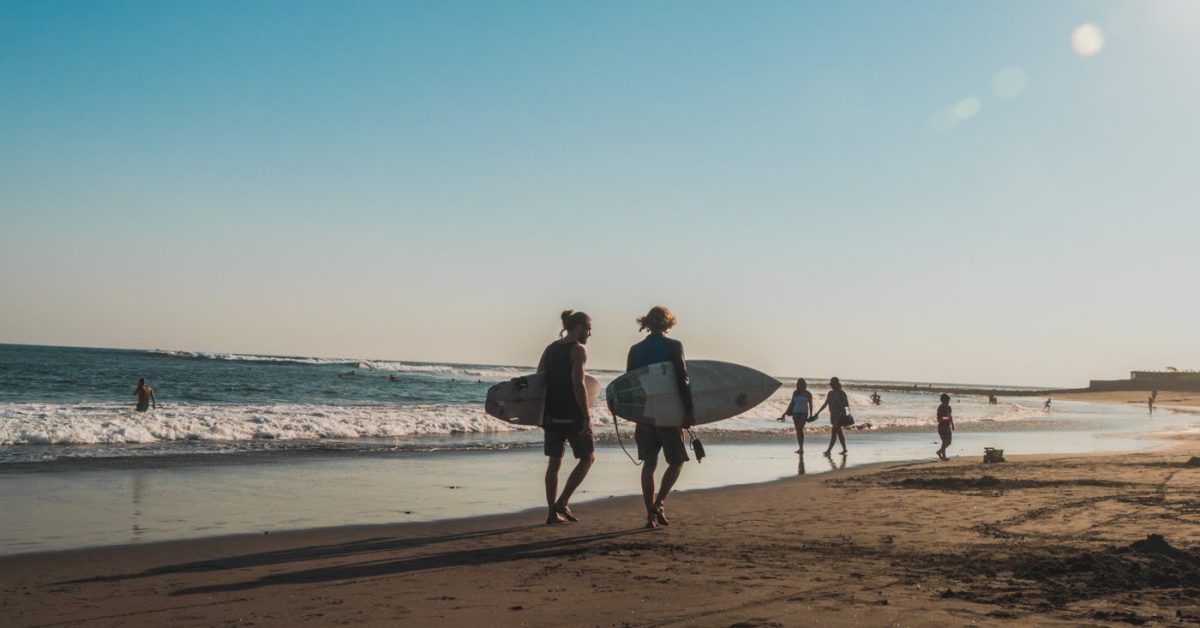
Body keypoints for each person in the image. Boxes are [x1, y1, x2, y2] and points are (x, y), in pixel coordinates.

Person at [627, 306, 694, 529]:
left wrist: (632, 413)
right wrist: (688, 410)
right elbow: (682, 379)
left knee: (649, 463)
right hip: (668, 413)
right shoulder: (674, 346)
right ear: (667, 324)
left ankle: (650, 515)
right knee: (676, 461)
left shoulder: (635, 350)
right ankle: (659, 502)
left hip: (645, 414)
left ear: (647, 323)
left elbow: (629, 386)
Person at [536, 310, 596, 525]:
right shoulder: (578, 350)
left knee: (554, 463)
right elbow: (578, 384)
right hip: (572, 414)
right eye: (588, 329)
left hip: (551, 414)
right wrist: (586, 416)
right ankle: (562, 501)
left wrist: (538, 414)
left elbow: (539, 380)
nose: (589, 334)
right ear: (579, 327)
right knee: (588, 457)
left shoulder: (550, 349)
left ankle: (552, 513)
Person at [812, 377, 849, 456]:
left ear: (837, 384)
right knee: (839, 433)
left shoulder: (842, 393)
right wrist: (818, 412)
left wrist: (848, 416)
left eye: (832, 383)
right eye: (831, 383)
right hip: (833, 415)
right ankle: (844, 449)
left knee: (834, 431)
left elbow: (846, 405)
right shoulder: (830, 393)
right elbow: (825, 404)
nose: (831, 384)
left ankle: (829, 450)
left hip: (840, 416)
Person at [779, 379, 815, 453]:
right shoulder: (795, 392)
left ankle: (801, 448)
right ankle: (801, 448)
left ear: (804, 385)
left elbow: (811, 404)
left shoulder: (808, 393)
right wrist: (785, 413)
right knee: (798, 431)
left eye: (802, 384)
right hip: (795, 413)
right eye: (799, 384)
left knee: (800, 429)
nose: (800, 385)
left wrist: (811, 415)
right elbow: (792, 403)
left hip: (804, 413)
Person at [935, 393, 954, 460]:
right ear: (942, 400)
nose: (947, 402)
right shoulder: (940, 408)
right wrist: (946, 418)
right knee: (944, 441)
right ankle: (944, 456)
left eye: (948, 401)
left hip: (948, 426)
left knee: (949, 442)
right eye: (946, 401)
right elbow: (939, 419)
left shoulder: (949, 407)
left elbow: (950, 416)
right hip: (942, 427)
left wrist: (952, 424)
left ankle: (939, 452)